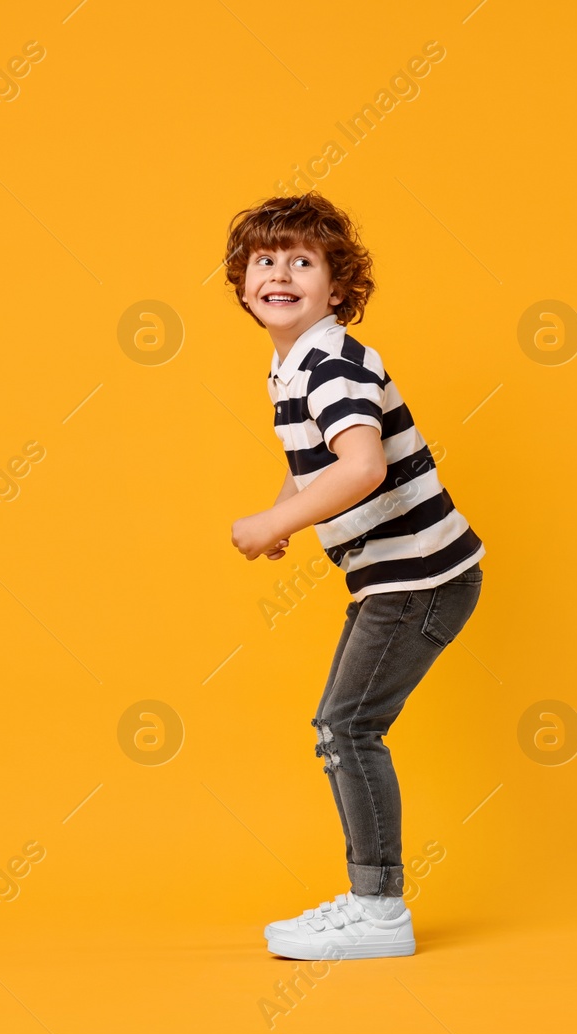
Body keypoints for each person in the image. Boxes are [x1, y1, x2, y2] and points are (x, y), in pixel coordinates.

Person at [225, 192, 485, 960]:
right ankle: (372, 901)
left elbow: (363, 466)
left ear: (337, 287)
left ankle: (378, 912)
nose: (281, 273)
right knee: (339, 726)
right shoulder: (295, 365)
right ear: (241, 283)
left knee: (348, 727)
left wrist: (278, 523)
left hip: (419, 576)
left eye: (302, 261)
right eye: (265, 261)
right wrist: (290, 509)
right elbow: (313, 460)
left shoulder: (333, 363)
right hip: (395, 577)